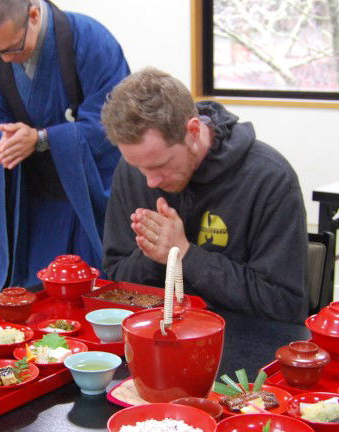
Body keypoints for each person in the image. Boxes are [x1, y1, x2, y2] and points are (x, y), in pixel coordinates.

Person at [100, 67, 308, 322]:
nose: (150, 182)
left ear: (193, 131)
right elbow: (115, 281)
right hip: (152, 336)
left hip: (242, 345)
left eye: (159, 165)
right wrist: (156, 255)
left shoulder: (270, 180)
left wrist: (185, 255)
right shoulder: (132, 171)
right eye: (138, 167)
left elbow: (284, 305)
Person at [0, 0, 129, 289]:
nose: (5, 59)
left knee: (93, 291)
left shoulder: (90, 39)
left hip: (87, 193)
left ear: (33, 16)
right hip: (27, 197)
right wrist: (6, 137)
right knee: (32, 293)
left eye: (13, 48)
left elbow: (115, 122)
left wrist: (42, 138)